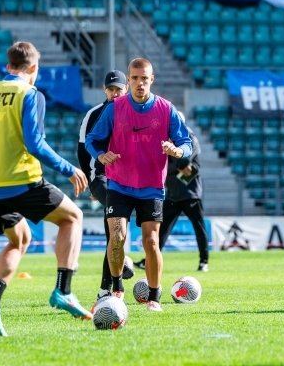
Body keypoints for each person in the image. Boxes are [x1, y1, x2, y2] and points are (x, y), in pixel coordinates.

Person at [0, 41, 92, 337]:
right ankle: (64, 290)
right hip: (22, 180)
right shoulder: (30, 93)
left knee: (18, 240)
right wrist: (69, 168)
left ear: (8, 66)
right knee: (72, 217)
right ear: (34, 68)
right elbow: (35, 144)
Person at [85, 58, 192, 312]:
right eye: (134, 78)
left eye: (144, 78)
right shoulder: (114, 108)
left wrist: (177, 151)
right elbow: (93, 140)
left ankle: (154, 297)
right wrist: (101, 155)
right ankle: (117, 288)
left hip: (152, 185)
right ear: (129, 80)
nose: (139, 83)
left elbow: (186, 144)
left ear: (151, 79)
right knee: (118, 236)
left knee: (151, 241)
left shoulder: (166, 109)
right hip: (119, 183)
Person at [77, 70, 134, 304]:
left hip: (124, 178)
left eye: (118, 89)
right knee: (116, 225)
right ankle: (117, 275)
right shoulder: (93, 114)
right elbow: (83, 149)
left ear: (126, 89)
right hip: (100, 177)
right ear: (104, 90)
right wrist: (91, 180)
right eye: (111, 89)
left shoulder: (135, 113)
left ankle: (106, 287)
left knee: (114, 232)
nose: (114, 93)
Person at [134, 111, 209, 272]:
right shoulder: (166, 140)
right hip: (173, 193)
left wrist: (171, 164)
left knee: (199, 228)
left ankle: (204, 261)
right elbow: (163, 165)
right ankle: (149, 260)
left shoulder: (190, 138)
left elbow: (184, 162)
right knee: (161, 229)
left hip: (191, 193)